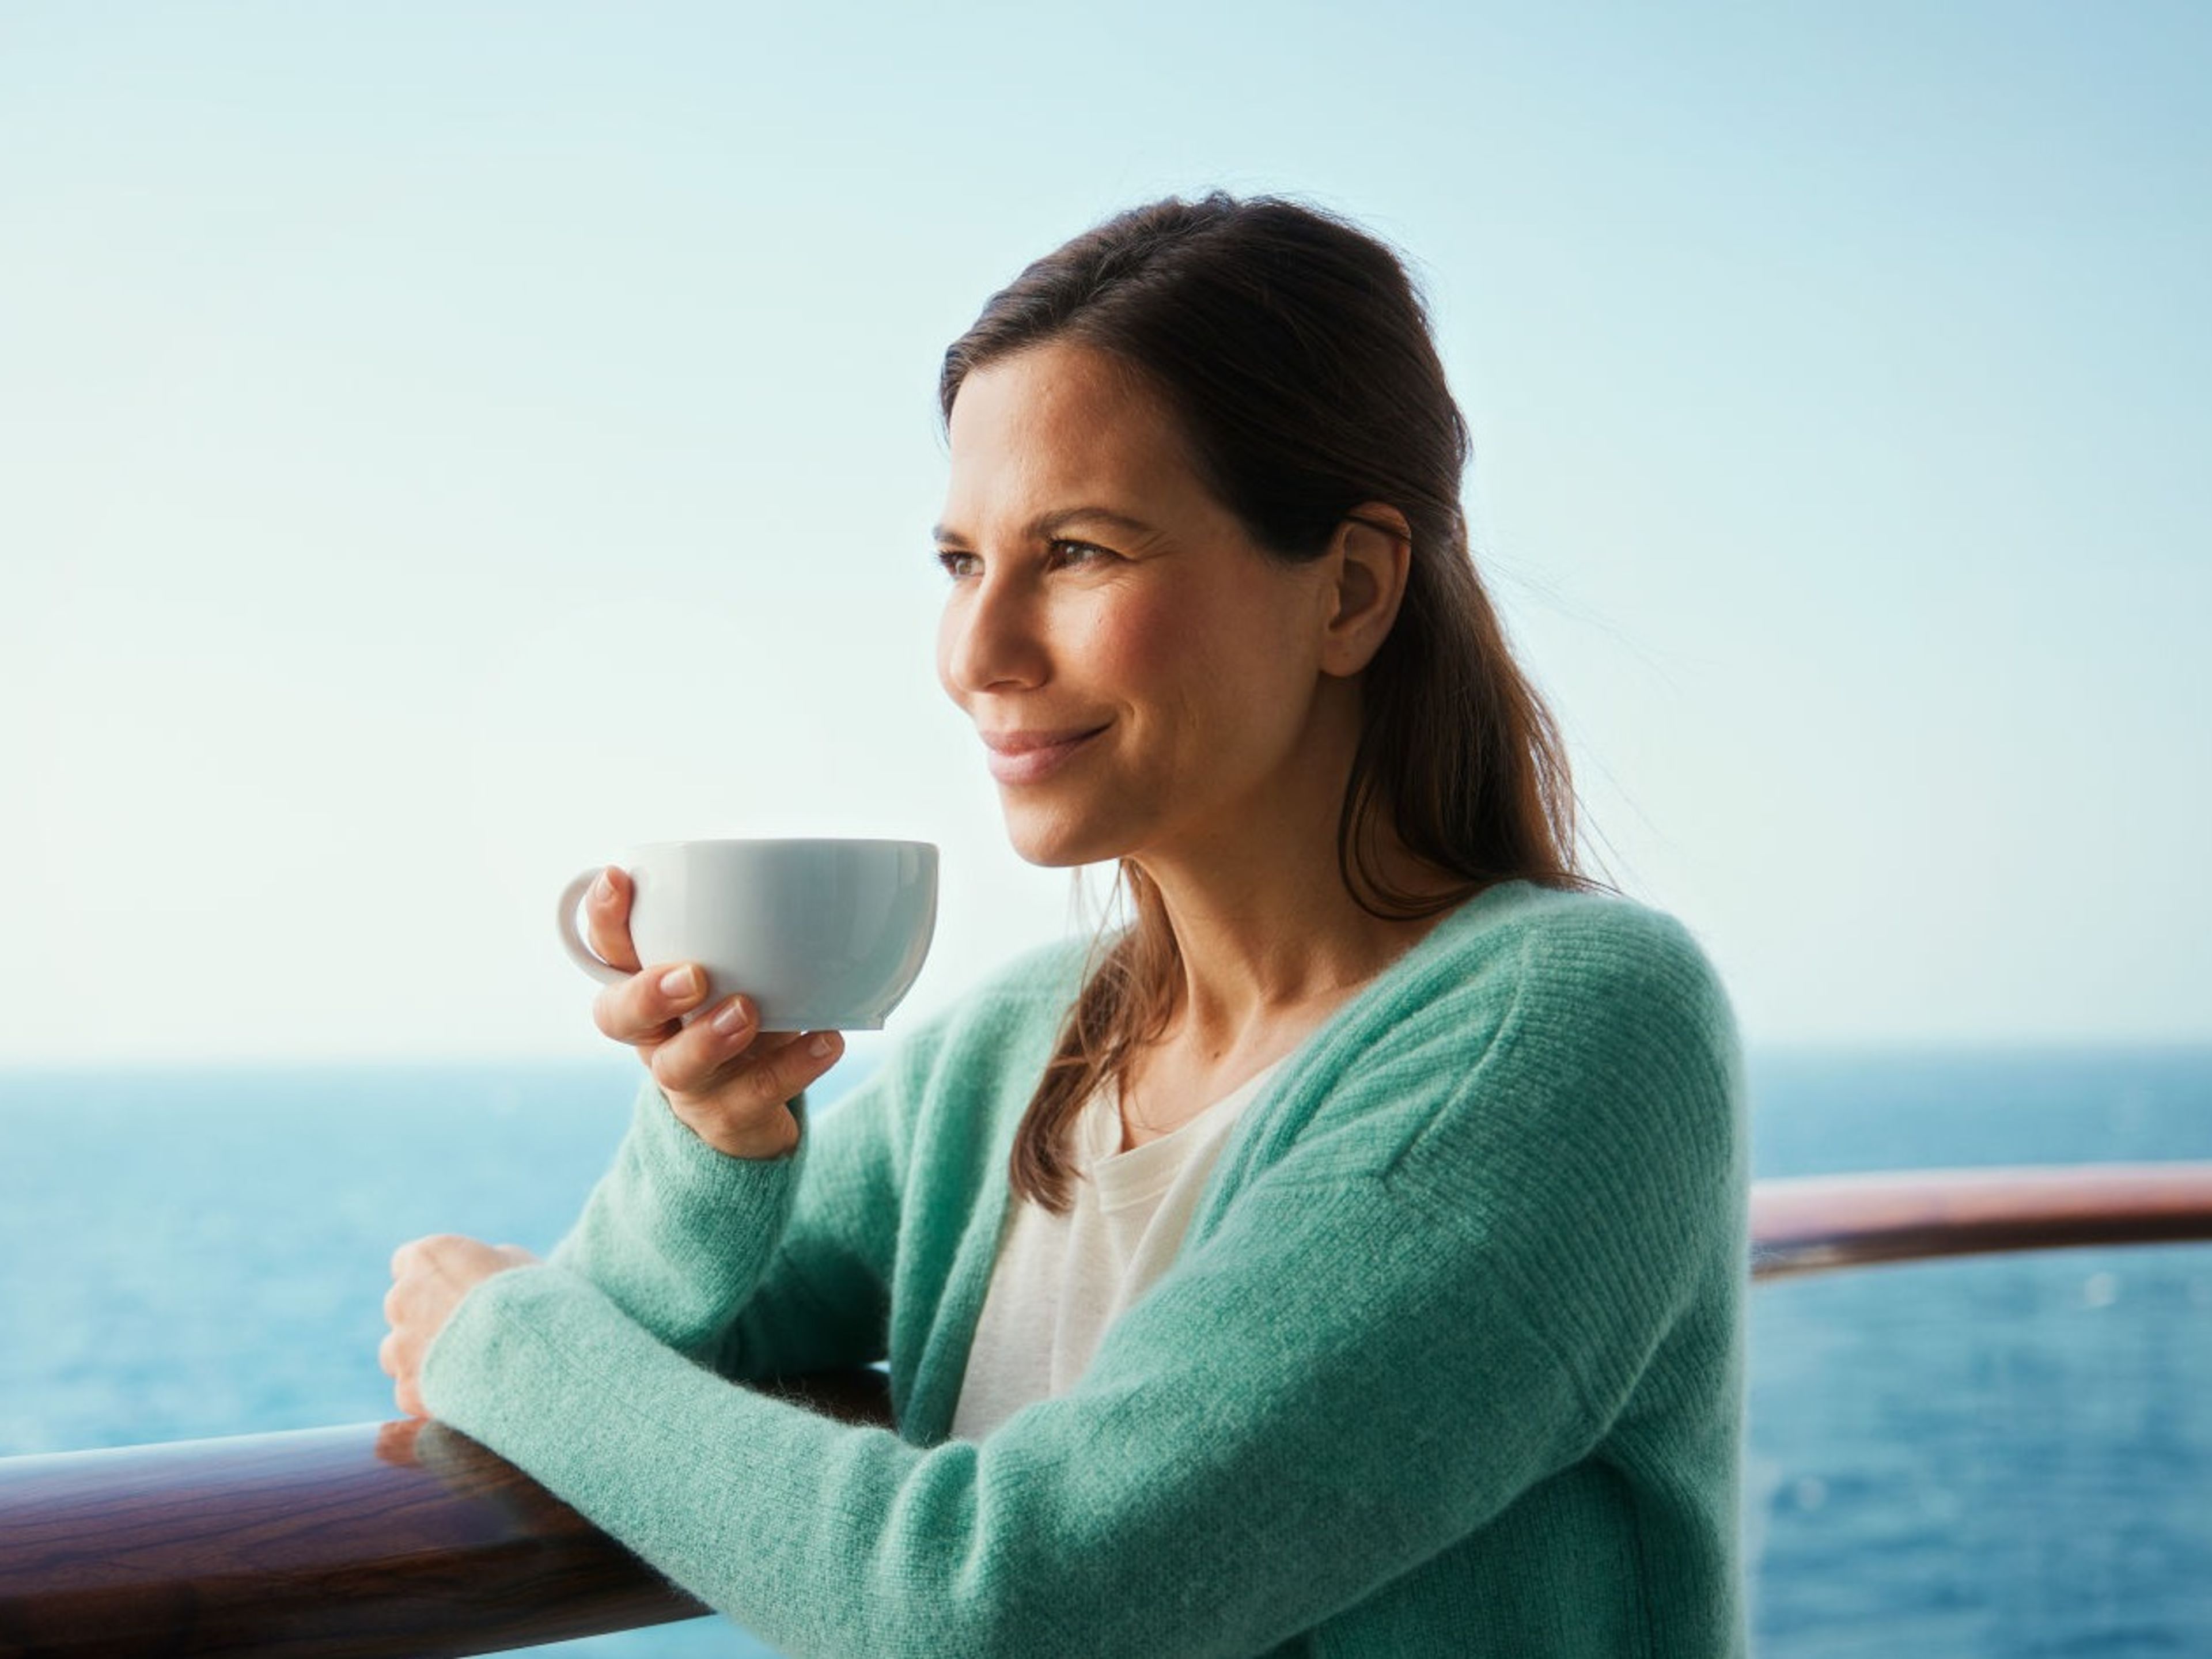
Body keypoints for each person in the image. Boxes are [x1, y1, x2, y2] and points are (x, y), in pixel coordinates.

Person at [381, 192, 1748, 1657]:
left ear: (1350, 591)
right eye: (962, 562)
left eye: (1080, 552)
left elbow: (1008, 1608)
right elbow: (637, 1352)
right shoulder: (1022, 1047)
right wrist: (716, 1146)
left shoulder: (1573, 1034)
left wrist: (498, 1339)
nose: (979, 655)